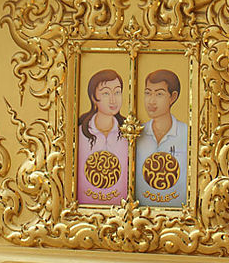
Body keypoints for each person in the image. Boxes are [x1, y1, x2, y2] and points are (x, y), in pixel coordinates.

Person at [135, 69, 188, 207]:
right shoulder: (136, 133)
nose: (151, 101)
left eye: (159, 94)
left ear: (173, 97)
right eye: (147, 93)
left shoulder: (187, 134)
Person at [77, 69, 127, 205]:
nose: (113, 99)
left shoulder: (129, 133)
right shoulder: (79, 133)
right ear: (93, 97)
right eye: (106, 93)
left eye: (117, 92)